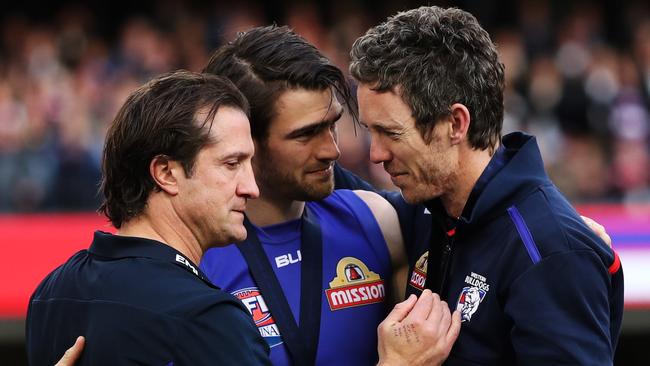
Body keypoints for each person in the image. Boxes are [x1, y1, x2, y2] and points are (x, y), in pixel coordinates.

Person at [347, 6, 624, 365]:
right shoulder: (432, 210)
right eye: (371, 132)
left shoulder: (549, 252)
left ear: (456, 124)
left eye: (390, 133)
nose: (375, 154)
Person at [199, 25, 460, 366]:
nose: (332, 150)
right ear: (245, 141)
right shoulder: (194, 257)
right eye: (306, 134)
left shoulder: (378, 222)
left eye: (332, 124)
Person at [26, 70, 271, 365]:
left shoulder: (49, 294)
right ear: (166, 173)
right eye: (232, 164)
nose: (251, 188)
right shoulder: (208, 319)